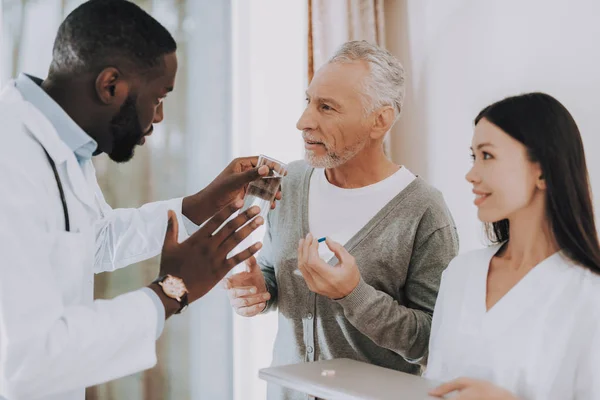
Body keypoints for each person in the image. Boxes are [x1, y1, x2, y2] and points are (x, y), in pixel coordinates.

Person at [0, 1, 279, 399]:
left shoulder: (65, 146)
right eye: (159, 97)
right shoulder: (10, 159)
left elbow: (93, 242)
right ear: (110, 85)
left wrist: (199, 205)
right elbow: (26, 359)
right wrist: (170, 291)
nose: (160, 116)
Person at [224, 40, 459, 400]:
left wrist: (354, 294)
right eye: (308, 102)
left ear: (380, 120)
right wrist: (259, 290)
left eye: (327, 107)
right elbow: (273, 276)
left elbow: (430, 342)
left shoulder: (424, 212)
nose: (303, 122)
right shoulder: (287, 184)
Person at [426, 93, 600, 400]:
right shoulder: (460, 274)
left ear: (543, 171)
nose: (471, 174)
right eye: (473, 157)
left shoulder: (588, 295)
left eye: (487, 156)